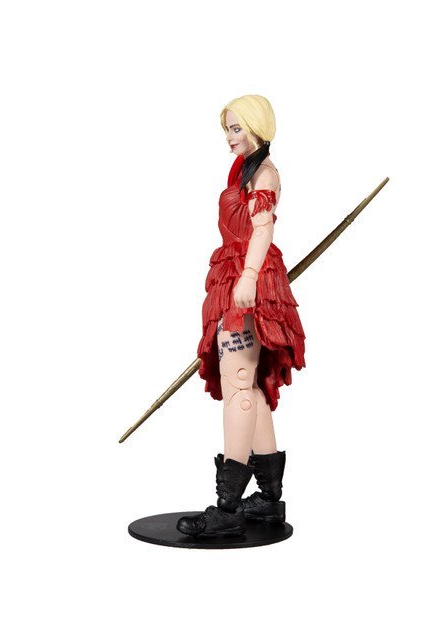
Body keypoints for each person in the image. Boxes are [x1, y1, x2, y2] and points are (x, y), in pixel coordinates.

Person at [176, 95, 306, 537]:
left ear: (256, 127)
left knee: (238, 384)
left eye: (236, 129)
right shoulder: (244, 170)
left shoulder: (264, 174)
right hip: (235, 273)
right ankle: (268, 499)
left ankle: (228, 508)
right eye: (227, 129)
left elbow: (263, 228)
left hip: (248, 281)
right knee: (247, 384)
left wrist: (249, 276)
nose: (229, 138)